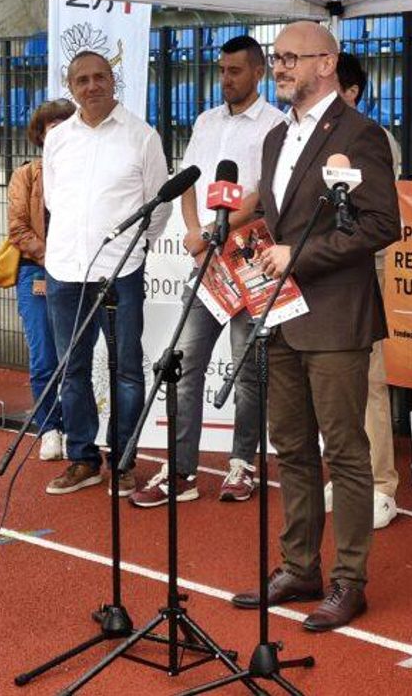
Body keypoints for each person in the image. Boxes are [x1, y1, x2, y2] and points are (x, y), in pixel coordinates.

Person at [228, 21, 399, 632]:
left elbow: (380, 224)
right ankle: (299, 566)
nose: (279, 68)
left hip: (335, 319)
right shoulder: (276, 138)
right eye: (276, 59)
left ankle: (349, 580)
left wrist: (297, 256)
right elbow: (280, 221)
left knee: (345, 451)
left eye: (290, 58)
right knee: (292, 448)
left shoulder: (360, 135)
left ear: (327, 63)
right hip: (281, 315)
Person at [130, 35, 282, 508]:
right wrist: (196, 233)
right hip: (208, 261)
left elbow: (263, 194)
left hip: (250, 258)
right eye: (221, 70)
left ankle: (244, 464)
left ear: (258, 72)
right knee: (183, 360)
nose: (225, 79)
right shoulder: (205, 121)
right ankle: (180, 471)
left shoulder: (275, 124)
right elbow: (190, 181)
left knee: (247, 369)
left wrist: (219, 232)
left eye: (235, 71)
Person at [43, 51, 170, 497]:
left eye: (99, 77)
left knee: (127, 371)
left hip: (120, 272)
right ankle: (82, 459)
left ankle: (123, 460)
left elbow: (160, 205)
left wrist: (131, 249)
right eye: (82, 80)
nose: (91, 86)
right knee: (70, 370)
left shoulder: (142, 137)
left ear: (113, 81)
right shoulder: (57, 139)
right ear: (70, 86)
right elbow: (55, 201)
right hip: (64, 270)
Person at [322, 51, 402, 529]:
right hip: (316, 271)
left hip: (361, 270)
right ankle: (348, 471)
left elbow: (374, 218)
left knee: (368, 378)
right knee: (330, 380)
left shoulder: (372, 138)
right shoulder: (309, 138)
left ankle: (382, 483)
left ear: (350, 92)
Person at [8, 98, 75, 462]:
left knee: (77, 357)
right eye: (52, 129)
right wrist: (54, 259)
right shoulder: (26, 175)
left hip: (82, 273)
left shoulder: (85, 173)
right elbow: (18, 228)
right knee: (44, 357)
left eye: (66, 127)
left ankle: (79, 430)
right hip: (38, 270)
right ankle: (49, 428)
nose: (59, 135)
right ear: (40, 135)